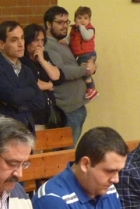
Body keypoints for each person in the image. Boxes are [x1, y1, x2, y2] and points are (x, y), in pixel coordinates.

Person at [0, 21, 45, 133]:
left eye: (22, 38)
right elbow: (13, 96)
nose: (21, 44)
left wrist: (19, 106)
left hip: (26, 131)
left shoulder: (26, 70)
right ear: (2, 44)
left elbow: (40, 101)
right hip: (3, 132)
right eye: (14, 40)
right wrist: (31, 91)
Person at [44, 5, 92, 145]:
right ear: (48, 24)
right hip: (66, 110)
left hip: (77, 107)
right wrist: (86, 70)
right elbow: (61, 71)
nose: (64, 26)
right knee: (64, 156)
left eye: (66, 22)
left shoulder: (63, 43)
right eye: (60, 22)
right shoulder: (49, 45)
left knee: (70, 153)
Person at [20, 24, 64, 131]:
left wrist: (42, 61)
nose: (39, 44)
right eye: (36, 40)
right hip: (33, 115)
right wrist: (49, 84)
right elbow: (34, 84)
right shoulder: (23, 61)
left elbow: (58, 77)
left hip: (49, 113)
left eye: (42, 40)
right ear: (27, 41)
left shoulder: (44, 56)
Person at [69, 6, 98, 101]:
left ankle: (91, 88)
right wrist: (64, 41)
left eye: (85, 18)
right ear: (75, 19)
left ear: (89, 20)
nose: (82, 21)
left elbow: (86, 37)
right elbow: (70, 38)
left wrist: (81, 27)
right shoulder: (74, 30)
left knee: (86, 72)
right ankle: (87, 89)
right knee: (81, 71)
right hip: (79, 55)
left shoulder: (89, 29)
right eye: (79, 18)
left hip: (88, 54)